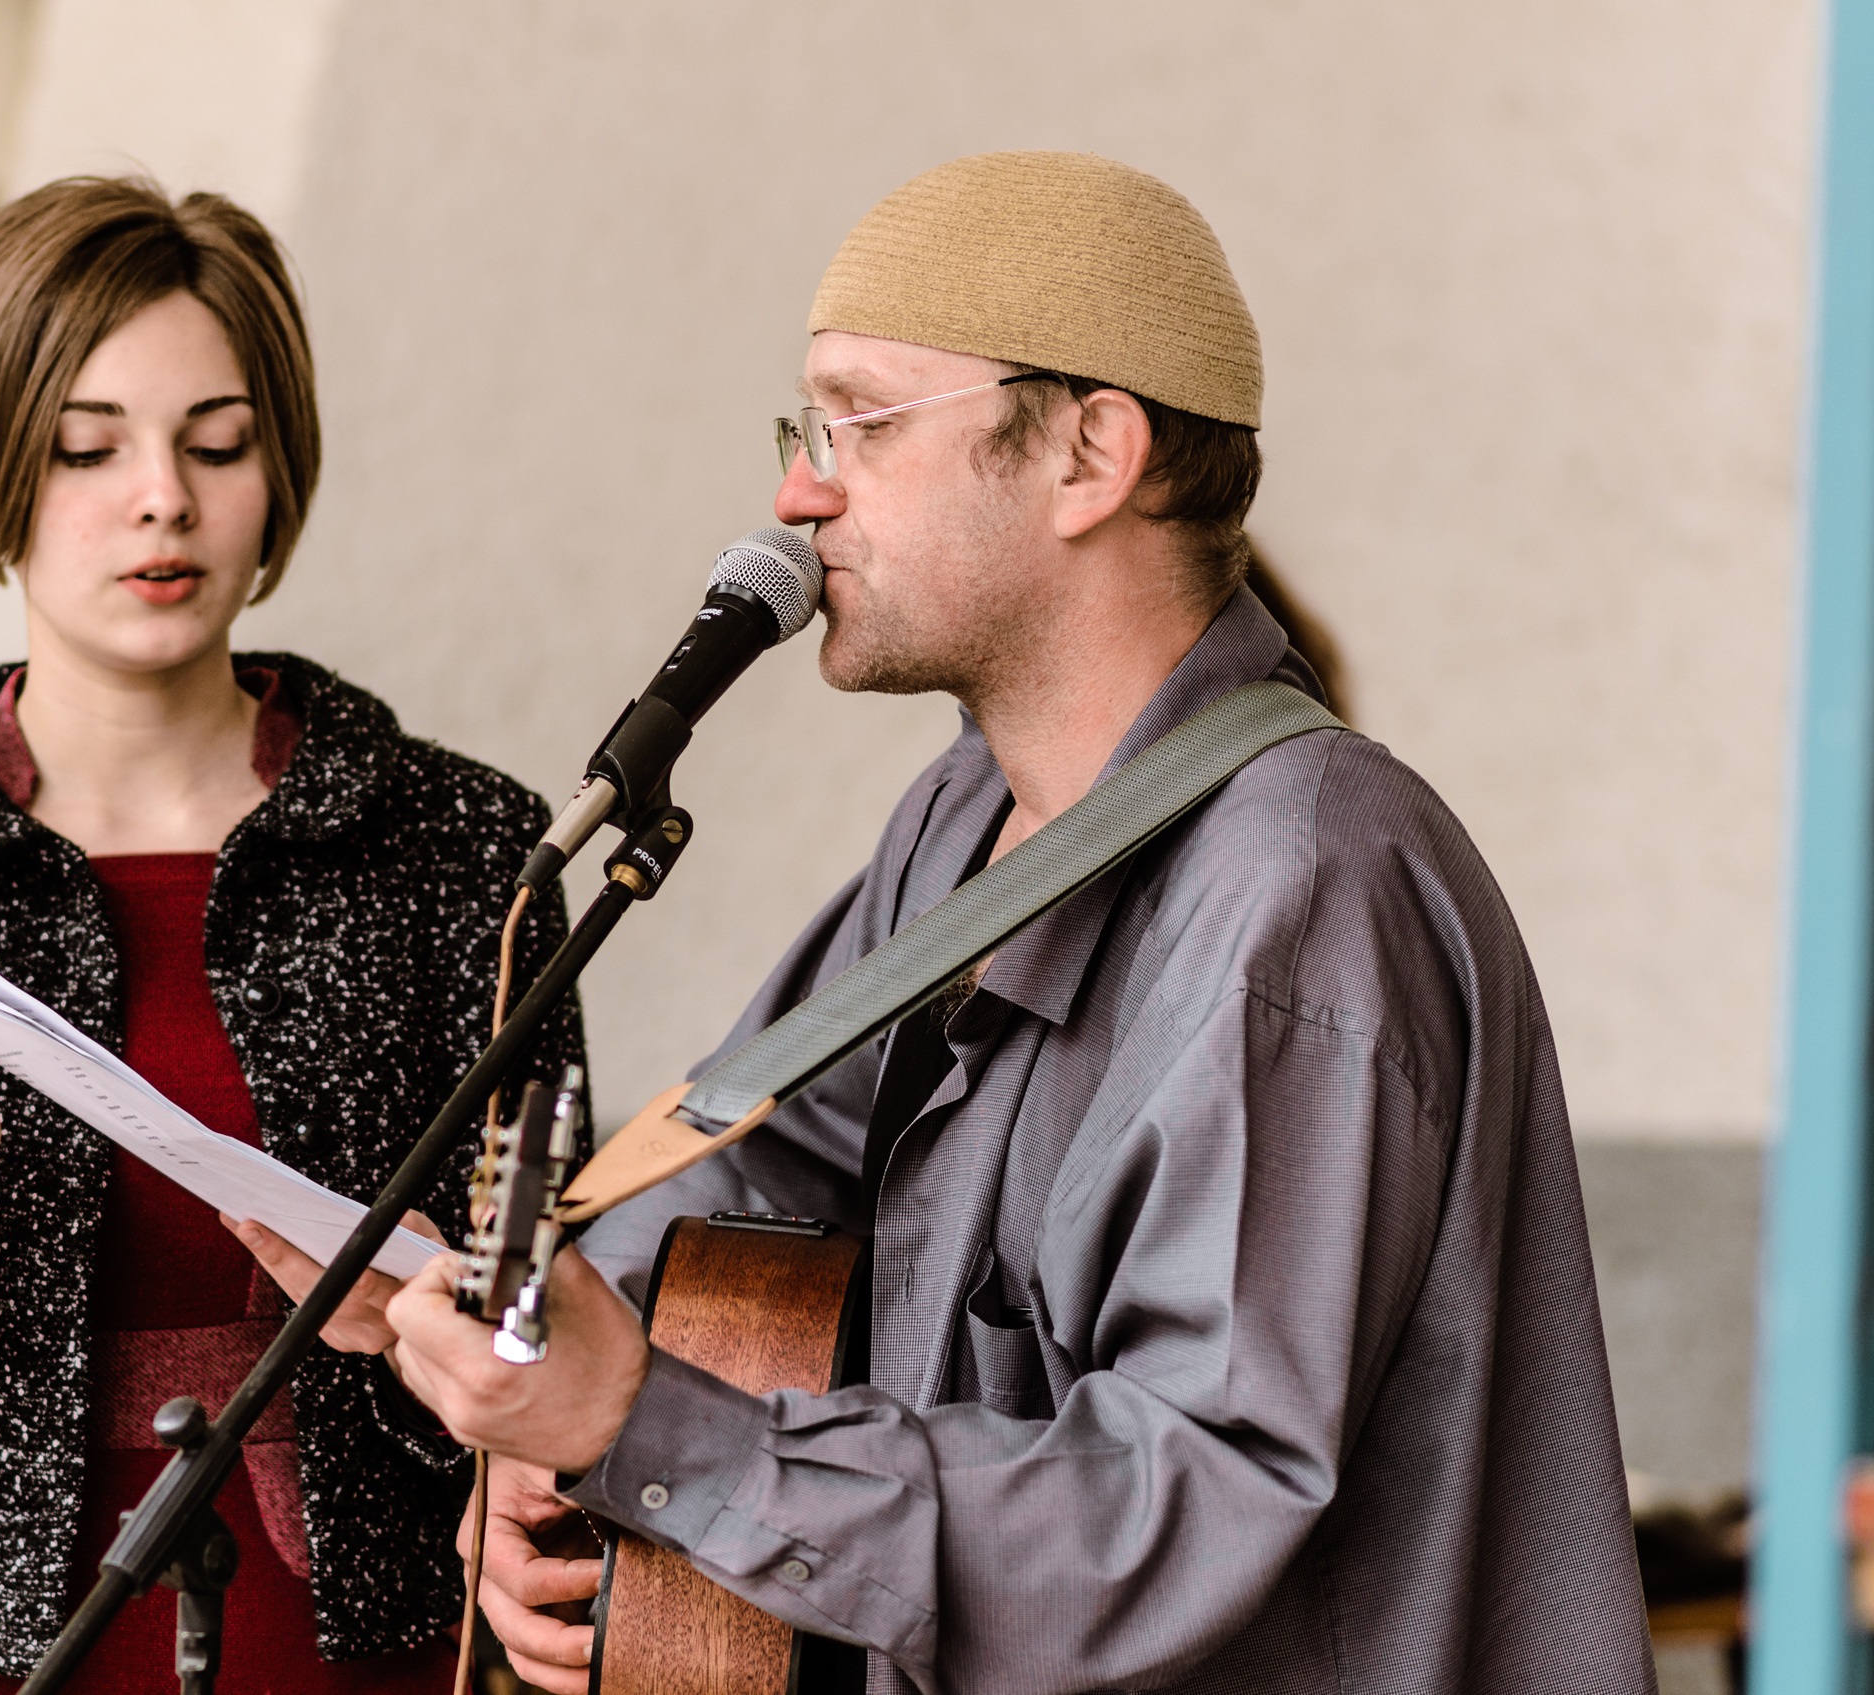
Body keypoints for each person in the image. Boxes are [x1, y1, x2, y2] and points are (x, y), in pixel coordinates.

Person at [382, 153, 1654, 1694]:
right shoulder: (963, 815)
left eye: (859, 420)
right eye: (802, 428)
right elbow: (765, 1157)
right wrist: (536, 1360)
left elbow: (1178, 1512)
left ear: (1088, 453)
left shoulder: (1304, 883)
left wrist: (649, 1433)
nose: (798, 490)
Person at [0, 176, 582, 1693]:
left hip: (354, 1622)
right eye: (88, 449)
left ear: (274, 468)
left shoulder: (463, 848)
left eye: (216, 443)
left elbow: (552, 1353)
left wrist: (416, 1326)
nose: (163, 496)